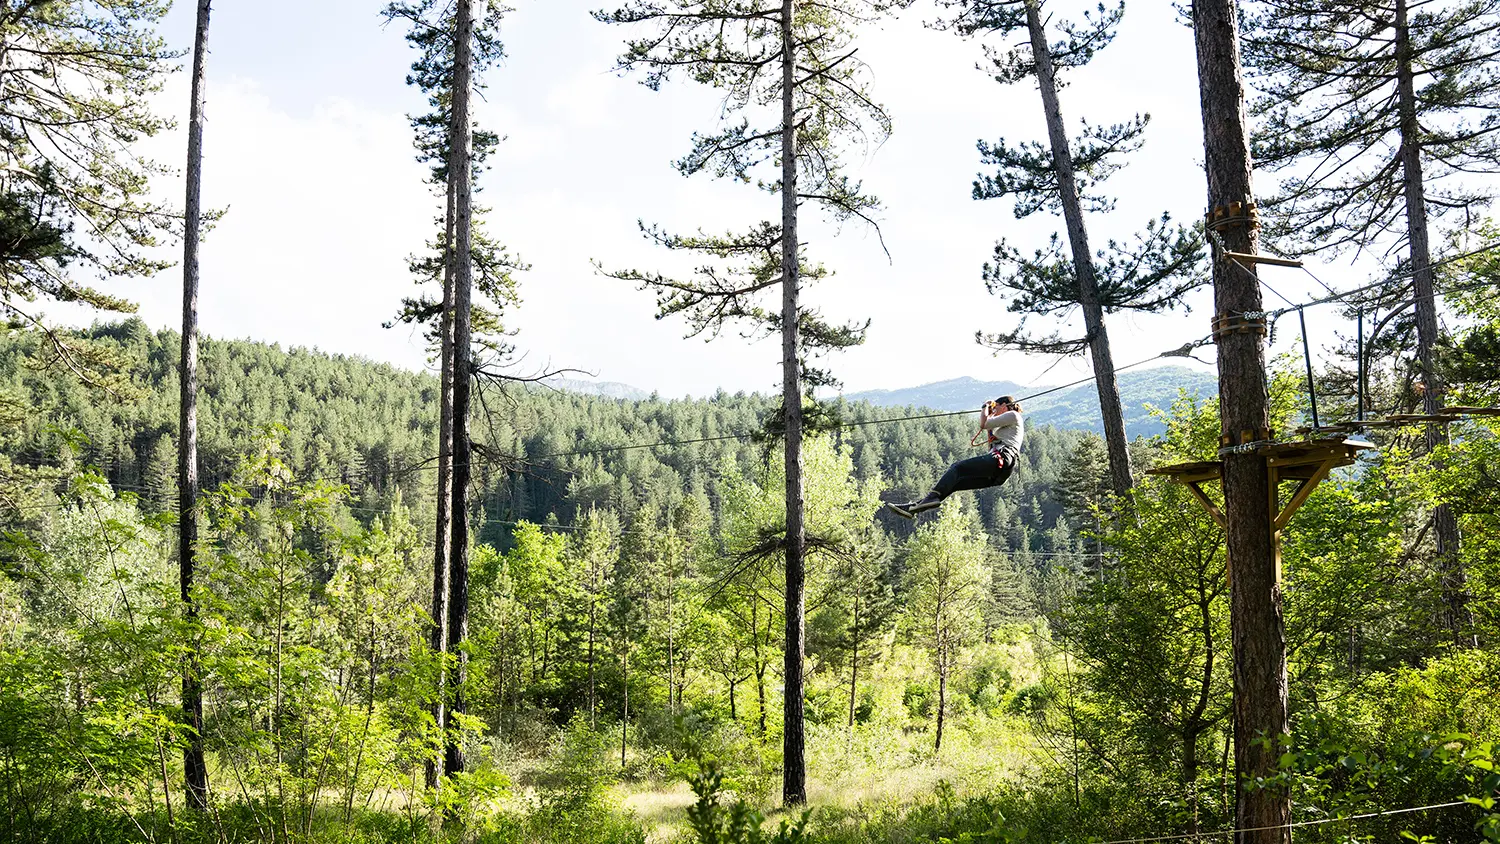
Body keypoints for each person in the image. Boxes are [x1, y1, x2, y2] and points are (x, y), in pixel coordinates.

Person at [887, 396, 1024, 519]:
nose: (996, 411)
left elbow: (984, 424)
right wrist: (990, 418)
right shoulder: (1009, 426)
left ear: (1004, 405)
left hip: (1001, 458)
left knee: (957, 468)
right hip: (1002, 469)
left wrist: (985, 408)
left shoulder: (1013, 414)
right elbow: (989, 435)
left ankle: (931, 497)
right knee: (956, 483)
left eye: (997, 407)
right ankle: (914, 508)